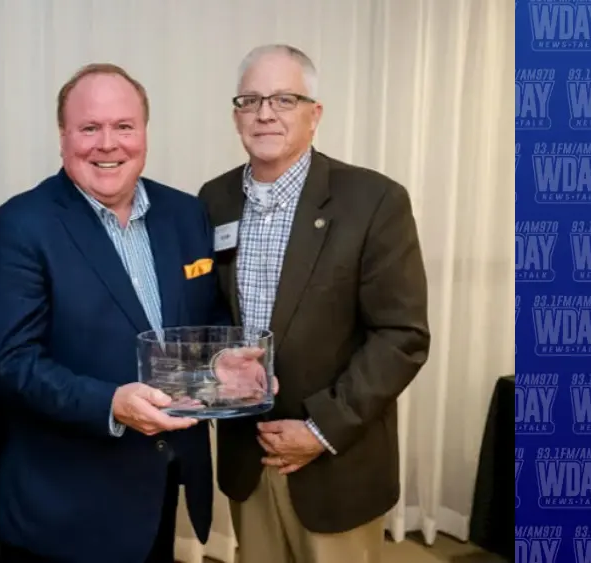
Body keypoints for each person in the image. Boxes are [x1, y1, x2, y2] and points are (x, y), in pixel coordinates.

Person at [0, 63, 220, 563]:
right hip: (66, 510)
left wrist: (223, 366)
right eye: (90, 128)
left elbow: (198, 328)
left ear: (144, 132)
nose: (108, 144)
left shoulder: (186, 214)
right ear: (63, 136)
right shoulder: (19, 226)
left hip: (160, 487)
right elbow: (12, 363)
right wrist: (111, 404)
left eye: (123, 126)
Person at [198, 45, 432, 563]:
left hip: (334, 461)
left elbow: (401, 335)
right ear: (236, 113)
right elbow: (209, 313)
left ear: (314, 113)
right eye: (251, 99)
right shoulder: (212, 201)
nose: (265, 113)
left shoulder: (373, 201)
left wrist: (321, 429)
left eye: (284, 98)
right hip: (247, 456)